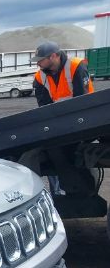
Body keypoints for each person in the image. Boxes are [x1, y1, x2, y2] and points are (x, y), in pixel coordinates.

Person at [20, 41, 96, 197]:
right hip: (60, 123)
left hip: (84, 119)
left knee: (71, 152)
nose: (39, 64)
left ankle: (81, 189)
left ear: (53, 56)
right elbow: (44, 107)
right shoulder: (40, 77)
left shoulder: (75, 67)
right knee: (52, 148)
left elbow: (82, 101)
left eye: (41, 60)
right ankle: (58, 192)